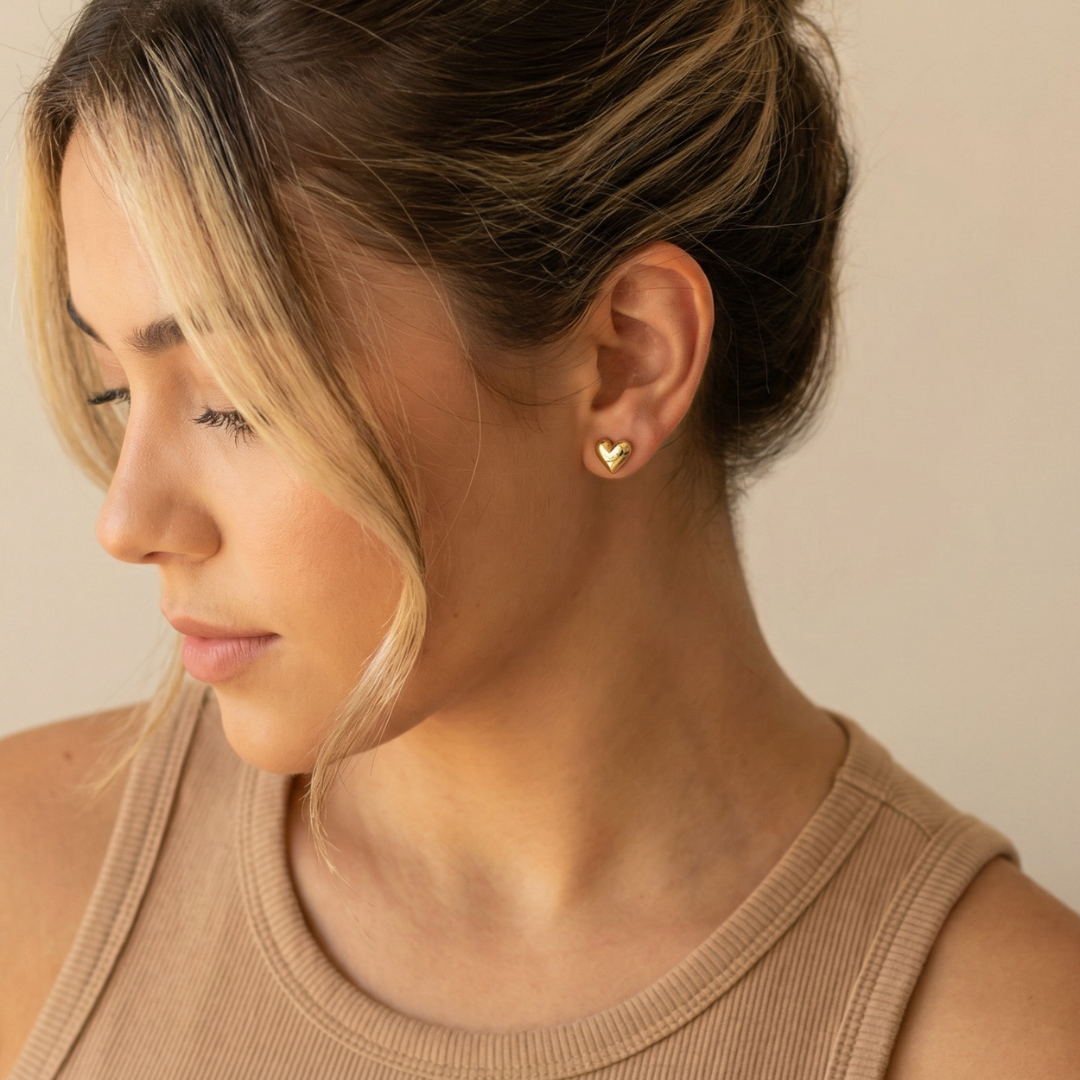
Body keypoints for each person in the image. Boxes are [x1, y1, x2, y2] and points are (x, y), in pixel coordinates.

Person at [2, 0, 1078, 1077]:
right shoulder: (27, 887)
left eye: (236, 398)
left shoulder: (1002, 1040)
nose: (127, 523)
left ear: (625, 362)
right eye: (114, 386)